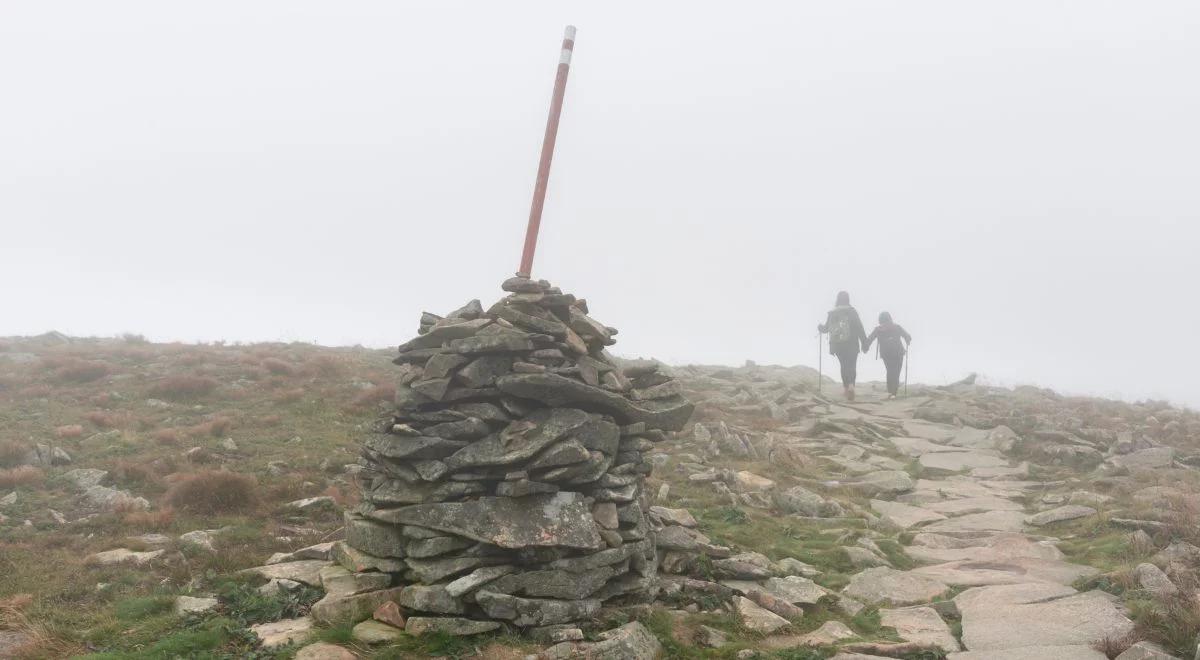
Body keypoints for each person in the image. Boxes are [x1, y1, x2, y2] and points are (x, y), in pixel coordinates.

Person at [817, 291, 868, 401]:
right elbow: (859, 327)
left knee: (844, 365)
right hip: (852, 343)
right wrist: (865, 343)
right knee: (852, 365)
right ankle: (851, 386)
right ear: (848, 299)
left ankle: (845, 388)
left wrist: (820, 327)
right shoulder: (852, 311)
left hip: (837, 345)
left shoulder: (832, 313)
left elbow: (826, 329)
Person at [864, 311, 912, 399]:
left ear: (880, 320)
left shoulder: (878, 329)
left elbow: (869, 339)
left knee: (890, 371)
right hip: (898, 352)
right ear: (890, 318)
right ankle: (893, 393)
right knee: (896, 372)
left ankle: (890, 392)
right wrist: (908, 340)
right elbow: (907, 336)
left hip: (886, 354)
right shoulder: (897, 327)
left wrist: (865, 347)